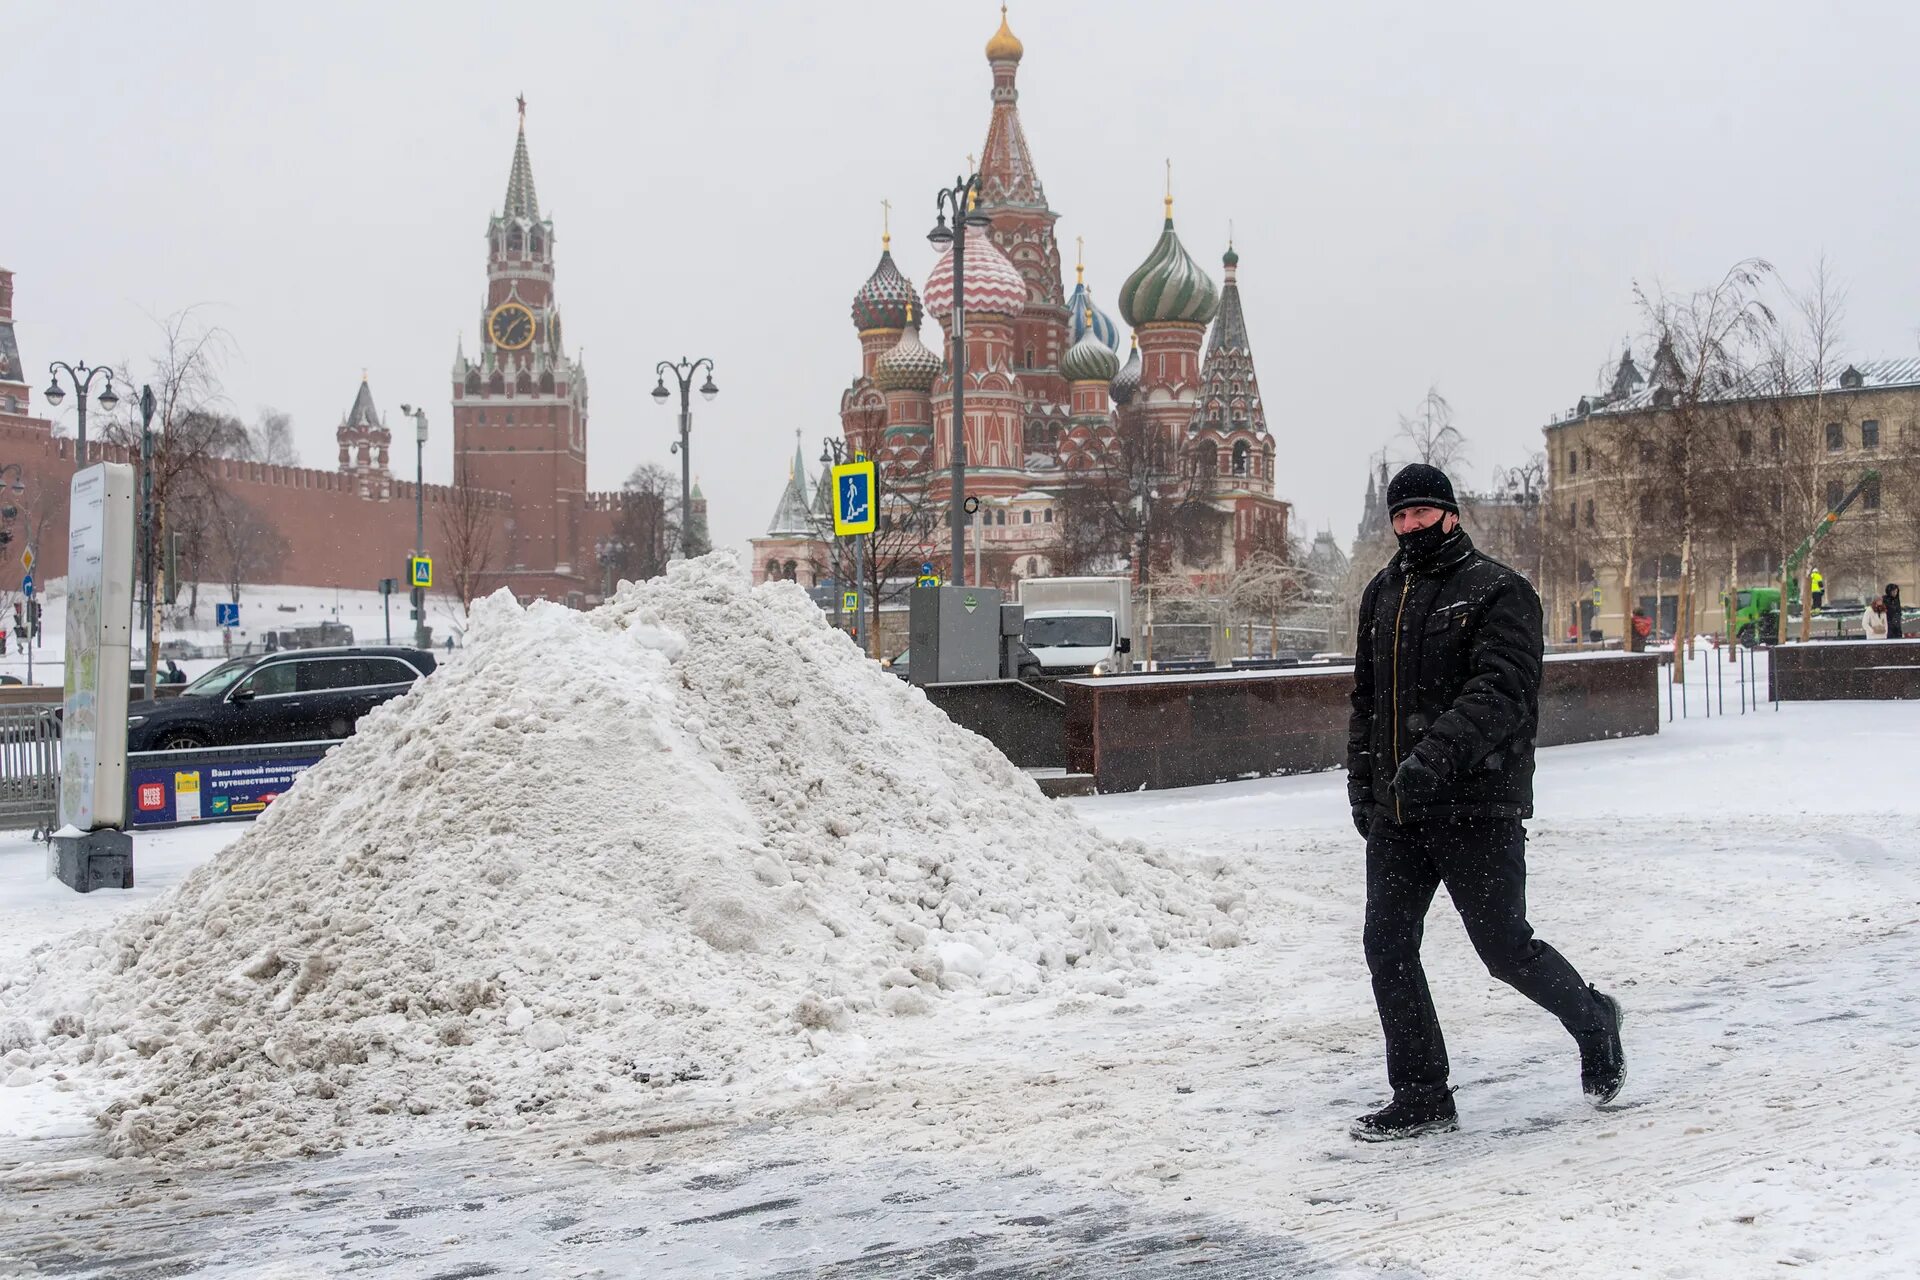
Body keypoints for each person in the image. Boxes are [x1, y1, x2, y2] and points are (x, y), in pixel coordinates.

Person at [1346, 463, 1625, 1142]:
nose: (1409, 526)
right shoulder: (1383, 595)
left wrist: (1432, 758)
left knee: (1504, 950)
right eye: (1399, 516)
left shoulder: (1498, 591)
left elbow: (1500, 693)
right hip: (1399, 811)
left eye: (1421, 513)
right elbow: (1367, 703)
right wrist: (1364, 786)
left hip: (1476, 805)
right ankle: (1421, 1094)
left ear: (1451, 514)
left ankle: (1594, 1020)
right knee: (1387, 946)